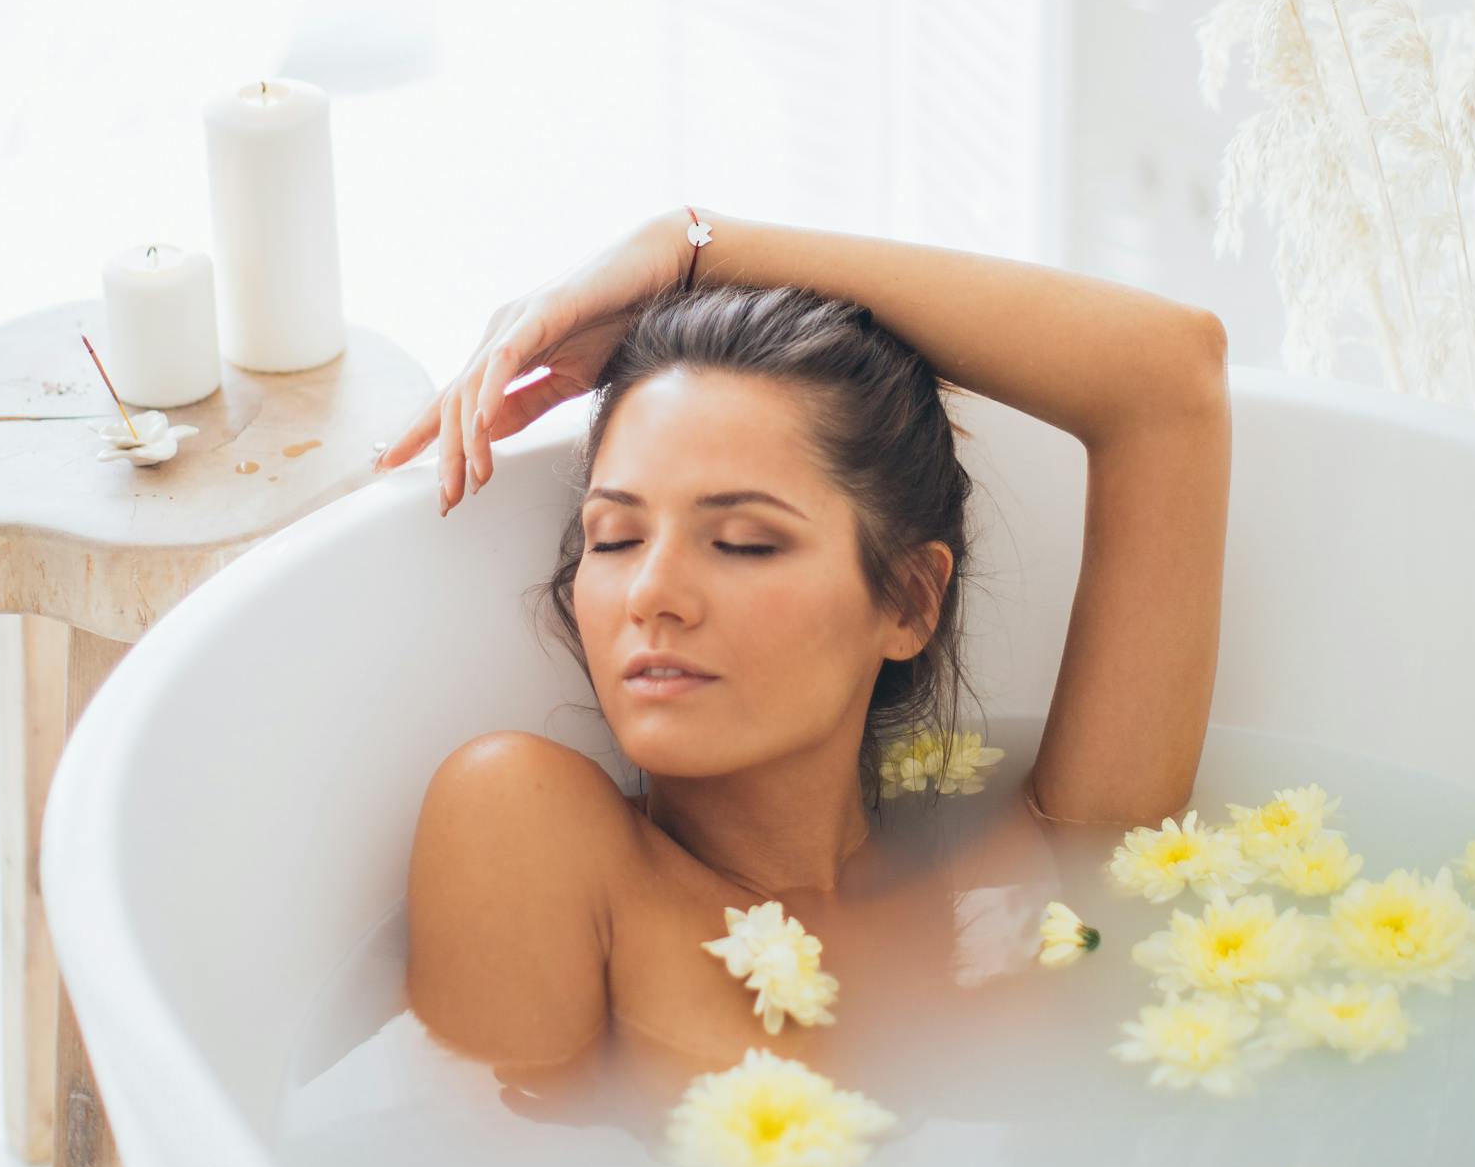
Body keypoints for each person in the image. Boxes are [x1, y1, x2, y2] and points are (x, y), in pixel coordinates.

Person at [371, 206, 1231, 1106]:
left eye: (743, 542)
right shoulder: (529, 823)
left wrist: (692, 246)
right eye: (616, 537)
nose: (650, 593)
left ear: (906, 601)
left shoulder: (1045, 869)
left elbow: (1172, 378)